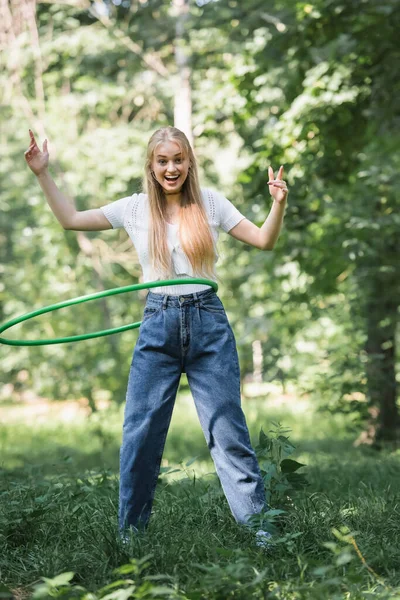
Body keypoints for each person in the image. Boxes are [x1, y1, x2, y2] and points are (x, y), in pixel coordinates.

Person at [24, 126, 288, 547]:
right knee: (141, 432)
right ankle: (130, 536)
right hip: (157, 322)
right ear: (151, 165)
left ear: (189, 163)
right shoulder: (134, 209)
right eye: (163, 160)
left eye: (178, 159)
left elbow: (264, 240)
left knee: (227, 430)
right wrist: (42, 173)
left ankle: (260, 529)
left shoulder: (211, 203)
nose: (171, 168)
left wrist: (277, 204)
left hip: (208, 322)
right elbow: (70, 220)